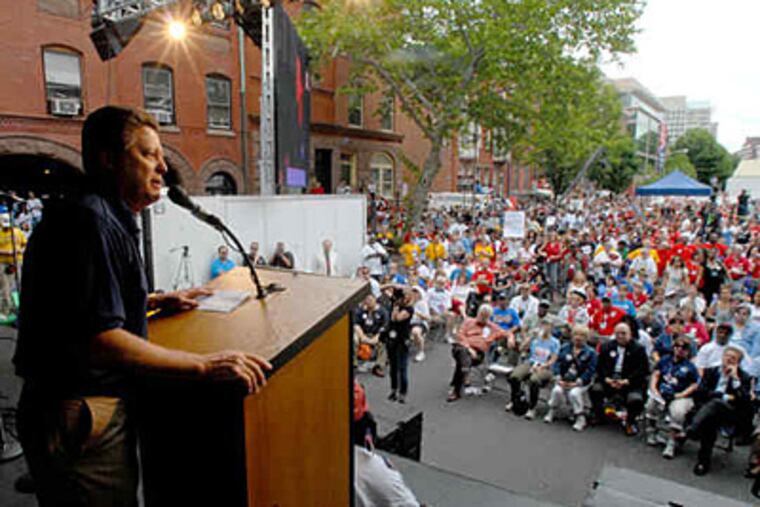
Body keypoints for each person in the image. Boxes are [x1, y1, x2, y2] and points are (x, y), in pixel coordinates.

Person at [13, 106, 271, 506]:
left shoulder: (98, 214)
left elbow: (77, 304)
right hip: (80, 415)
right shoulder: (88, 222)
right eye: (148, 154)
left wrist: (151, 301)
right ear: (109, 159)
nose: (163, 167)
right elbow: (98, 339)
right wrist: (203, 366)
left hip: (80, 411)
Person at [687, 344, 753, 476]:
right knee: (711, 422)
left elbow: (744, 400)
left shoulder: (744, 377)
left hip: (730, 412)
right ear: (722, 357)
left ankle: (693, 429)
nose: (729, 360)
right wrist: (723, 396)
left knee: (716, 404)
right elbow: (701, 392)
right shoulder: (712, 371)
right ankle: (703, 462)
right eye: (727, 356)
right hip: (708, 411)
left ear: (738, 363)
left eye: (733, 358)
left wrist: (735, 380)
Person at [644, 335, 700, 459]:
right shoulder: (664, 360)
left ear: (688, 351)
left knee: (678, 412)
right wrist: (654, 390)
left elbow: (694, 385)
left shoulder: (690, 367)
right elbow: (656, 375)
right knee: (651, 405)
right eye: (677, 346)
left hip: (680, 395)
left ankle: (671, 442)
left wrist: (680, 395)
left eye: (683, 348)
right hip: (662, 392)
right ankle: (652, 431)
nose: (679, 349)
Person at [590, 321, 649, 436]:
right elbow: (599, 367)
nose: (620, 336)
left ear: (630, 334)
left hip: (629, 382)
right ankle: (599, 415)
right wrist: (606, 378)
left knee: (635, 399)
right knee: (595, 389)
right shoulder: (607, 347)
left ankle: (630, 422)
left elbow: (643, 371)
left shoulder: (639, 349)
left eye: (623, 333)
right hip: (609, 380)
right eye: (617, 333)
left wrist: (627, 381)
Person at [447, 305, 507, 402]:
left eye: (485, 316)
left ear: (489, 317)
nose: (482, 318)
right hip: (463, 348)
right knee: (462, 353)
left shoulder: (491, 327)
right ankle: (459, 384)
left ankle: (457, 385)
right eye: (481, 315)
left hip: (478, 354)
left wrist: (511, 338)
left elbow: (506, 333)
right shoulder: (468, 322)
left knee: (463, 360)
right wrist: (469, 348)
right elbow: (460, 335)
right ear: (478, 313)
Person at [544, 325, 597, 432]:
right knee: (557, 390)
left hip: (580, 381)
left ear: (586, 338)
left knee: (574, 393)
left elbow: (590, 370)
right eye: (576, 334)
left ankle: (580, 417)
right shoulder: (565, 347)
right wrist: (558, 377)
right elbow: (557, 363)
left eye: (582, 335)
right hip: (563, 379)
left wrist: (578, 382)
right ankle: (552, 410)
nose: (578, 338)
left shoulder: (591, 353)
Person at [506, 319, 560, 420]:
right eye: (543, 324)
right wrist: (530, 338)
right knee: (514, 376)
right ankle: (515, 400)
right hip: (531, 362)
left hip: (545, 367)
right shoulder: (535, 339)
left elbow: (553, 359)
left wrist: (542, 366)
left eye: (547, 325)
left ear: (551, 328)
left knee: (534, 380)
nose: (544, 327)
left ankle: (532, 407)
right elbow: (521, 349)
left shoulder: (555, 342)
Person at [387, 286, 415, 403]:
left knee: (402, 368)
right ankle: (394, 389)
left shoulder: (409, 309)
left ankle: (403, 392)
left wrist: (396, 307)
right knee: (393, 367)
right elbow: (383, 289)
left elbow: (396, 318)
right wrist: (393, 285)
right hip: (392, 339)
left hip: (402, 340)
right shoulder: (395, 302)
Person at [0, 208, 27, 319]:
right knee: (5, 287)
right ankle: (5, 311)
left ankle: (15, 308)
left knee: (15, 286)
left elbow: (25, 244)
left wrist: (20, 250)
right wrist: (5, 252)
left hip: (16, 262)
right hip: (2, 262)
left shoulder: (17, 232)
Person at [353, 294, 389, 377]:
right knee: (354, 339)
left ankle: (379, 366)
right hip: (363, 333)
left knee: (383, 341)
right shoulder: (360, 311)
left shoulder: (383, 311)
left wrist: (376, 337)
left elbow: (385, 326)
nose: (369, 302)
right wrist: (362, 336)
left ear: (375, 300)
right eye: (367, 300)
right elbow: (356, 324)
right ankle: (354, 364)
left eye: (371, 300)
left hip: (376, 334)